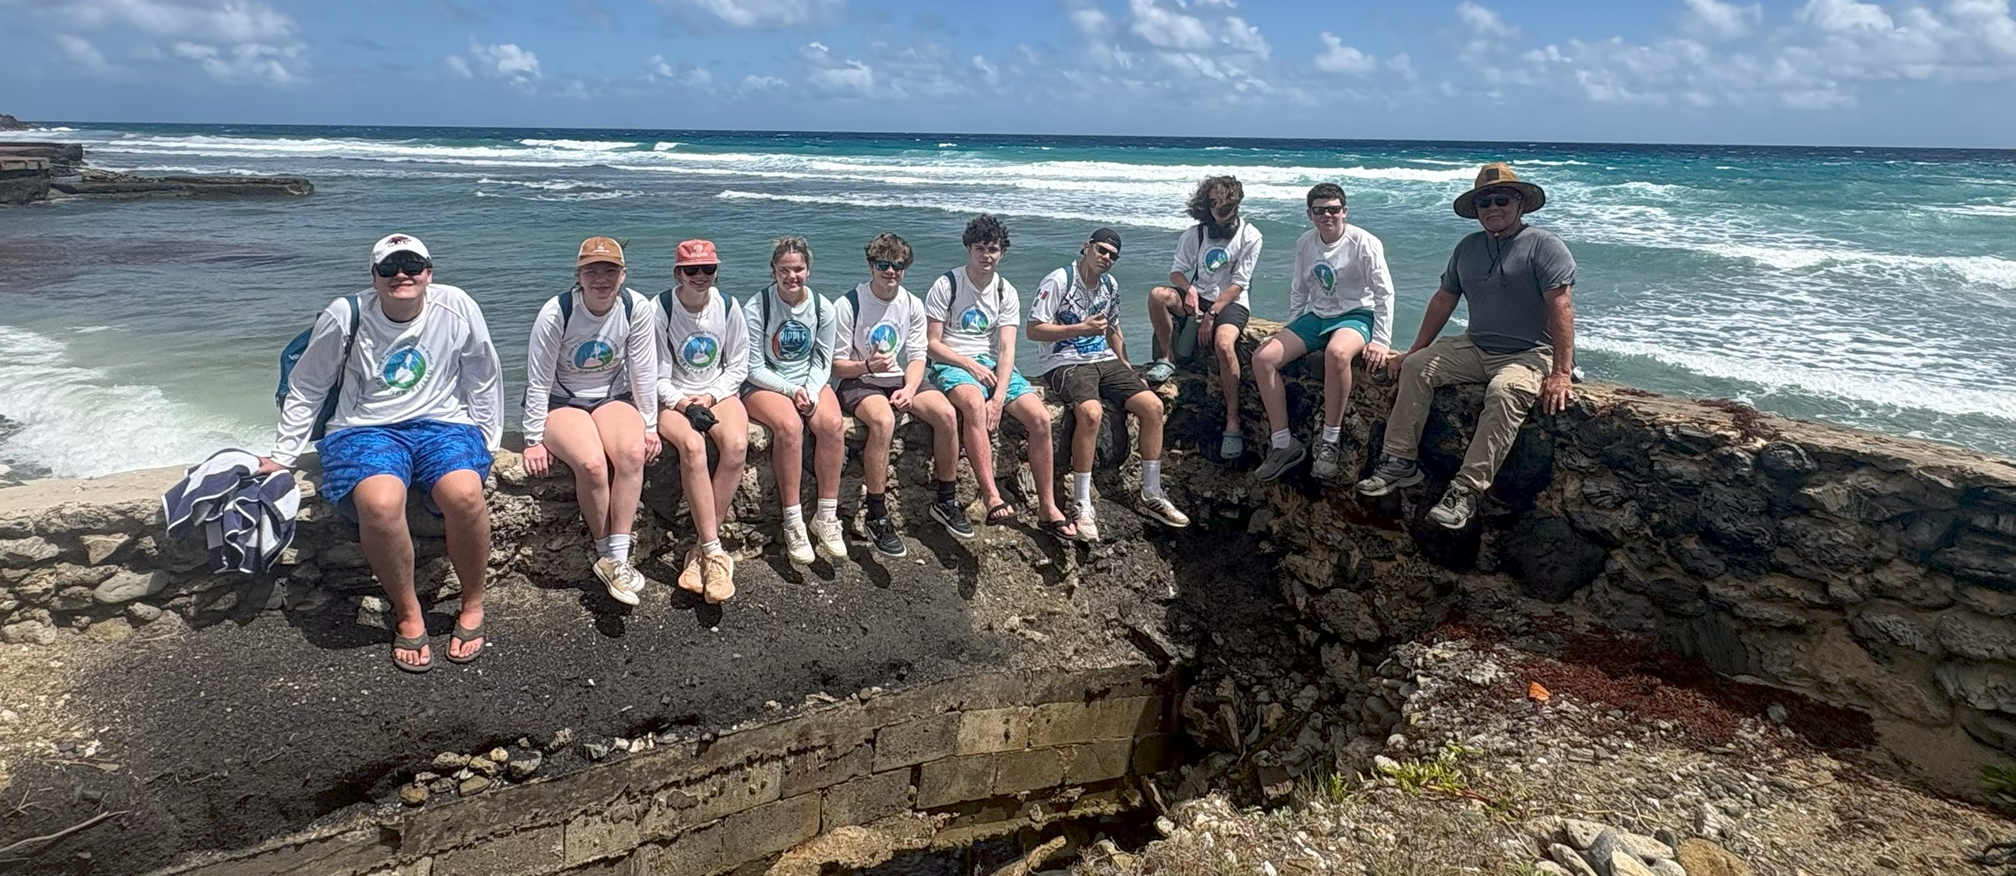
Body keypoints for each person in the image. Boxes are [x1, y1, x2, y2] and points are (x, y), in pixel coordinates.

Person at [261, 233, 502, 672]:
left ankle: (473, 604)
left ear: (429, 272)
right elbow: (309, 383)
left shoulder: (457, 305)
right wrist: (284, 454)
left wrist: (488, 439)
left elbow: (482, 372)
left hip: (442, 423)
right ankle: (409, 615)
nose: (402, 275)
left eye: (412, 265)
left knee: (465, 494)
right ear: (374, 277)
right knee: (380, 501)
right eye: (389, 268)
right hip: (364, 428)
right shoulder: (345, 314)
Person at [1355, 163, 1578, 530]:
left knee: (1506, 391)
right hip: (1476, 346)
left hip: (1529, 352)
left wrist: (1560, 373)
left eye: (1501, 199)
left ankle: (1466, 490)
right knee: (1417, 367)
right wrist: (1414, 349)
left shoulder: (1544, 245)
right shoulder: (1468, 248)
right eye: (1484, 202)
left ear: (1519, 203)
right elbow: (1445, 299)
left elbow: (1562, 307)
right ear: (1475, 210)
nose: (1493, 208)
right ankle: (1398, 461)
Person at [521, 237, 662, 606]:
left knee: (632, 455)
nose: (601, 279)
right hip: (562, 400)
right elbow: (538, 376)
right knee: (592, 464)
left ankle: (617, 556)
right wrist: (533, 436)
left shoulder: (636, 307)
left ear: (623, 275)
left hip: (611, 398)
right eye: (592, 271)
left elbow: (643, 370)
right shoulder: (558, 312)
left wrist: (649, 425)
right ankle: (606, 554)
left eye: (610, 271)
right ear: (578, 275)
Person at [1025, 227, 1189, 540]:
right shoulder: (1060, 280)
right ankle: (1082, 503)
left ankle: (1152, 492)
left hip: (1103, 360)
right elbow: (1034, 329)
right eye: (1101, 250)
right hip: (1065, 360)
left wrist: (1125, 367)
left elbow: (1113, 328)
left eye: (1112, 255)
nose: (1106, 258)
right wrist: (1078, 329)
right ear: (1086, 247)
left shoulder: (1109, 285)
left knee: (1152, 406)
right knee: (1090, 413)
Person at [925, 214, 1075, 539]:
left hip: (990, 364)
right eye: (980, 248)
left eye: (993, 249)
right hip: (952, 362)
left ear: (1002, 252)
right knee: (973, 404)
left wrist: (999, 396)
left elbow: (1007, 350)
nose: (986, 256)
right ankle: (991, 494)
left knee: (1040, 418)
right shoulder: (947, 285)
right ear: (968, 249)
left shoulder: (1006, 291)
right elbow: (932, 344)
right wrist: (968, 365)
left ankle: (1048, 507)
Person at [833, 233, 970, 555]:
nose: (890, 271)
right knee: (882, 421)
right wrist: (866, 365)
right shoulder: (848, 304)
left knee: (947, 414)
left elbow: (918, 354)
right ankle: (877, 514)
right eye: (883, 264)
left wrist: (910, 388)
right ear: (871, 266)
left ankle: (946, 498)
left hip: (897, 377)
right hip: (859, 379)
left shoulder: (910, 303)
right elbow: (838, 366)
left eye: (898, 265)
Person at [1251, 184, 1395, 482]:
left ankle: (1330, 440)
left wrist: (1381, 339)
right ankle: (1282, 443)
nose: (1327, 215)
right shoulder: (1306, 242)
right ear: (1310, 214)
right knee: (1263, 357)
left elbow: (1384, 293)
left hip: (1356, 315)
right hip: (1317, 316)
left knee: (1337, 353)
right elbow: (1299, 288)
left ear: (1344, 211)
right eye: (1320, 210)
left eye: (1333, 209)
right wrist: (1290, 326)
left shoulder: (1364, 243)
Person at [655, 239, 749, 603]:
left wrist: (709, 397)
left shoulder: (727, 305)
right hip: (673, 397)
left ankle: (700, 551)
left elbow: (738, 362)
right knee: (693, 447)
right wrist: (682, 403)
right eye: (691, 270)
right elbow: (654, 371)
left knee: (737, 446)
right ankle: (715, 551)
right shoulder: (660, 308)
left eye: (707, 269)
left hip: (717, 393)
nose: (700, 276)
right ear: (678, 272)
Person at [743, 236, 847, 564]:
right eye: (784, 270)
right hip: (765, 384)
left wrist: (812, 391)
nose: (792, 276)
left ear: (808, 271)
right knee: (789, 427)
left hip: (808, 381)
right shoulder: (757, 306)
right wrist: (790, 391)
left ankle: (826, 517)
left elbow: (823, 361)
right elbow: (752, 366)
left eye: (798, 269)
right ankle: (793, 520)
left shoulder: (822, 307)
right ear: (773, 271)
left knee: (831, 424)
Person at [1144, 176, 1263, 460]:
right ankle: (1167, 358)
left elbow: (1238, 284)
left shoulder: (1250, 236)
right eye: (1213, 202)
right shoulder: (1194, 234)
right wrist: (1189, 290)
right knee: (1158, 295)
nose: (1218, 207)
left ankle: (1232, 421)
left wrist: (1212, 313)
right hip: (1197, 296)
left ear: (1235, 203)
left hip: (1231, 301)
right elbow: (1177, 272)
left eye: (1224, 202)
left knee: (1224, 345)